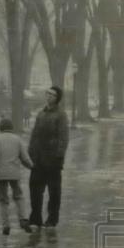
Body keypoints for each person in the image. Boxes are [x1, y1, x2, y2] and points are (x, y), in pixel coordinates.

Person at [0, 118, 34, 235]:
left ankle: (6, 224)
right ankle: (23, 219)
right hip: (14, 173)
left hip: (1, 174)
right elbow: (24, 157)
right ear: (11, 128)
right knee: (18, 196)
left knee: (3, 200)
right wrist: (32, 167)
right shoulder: (18, 139)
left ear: (1, 128)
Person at [27, 85, 70, 228]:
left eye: (52, 95)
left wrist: (59, 156)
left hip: (53, 160)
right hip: (38, 159)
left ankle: (52, 219)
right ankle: (35, 217)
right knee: (34, 188)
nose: (49, 96)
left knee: (54, 192)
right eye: (48, 93)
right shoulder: (41, 113)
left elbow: (64, 137)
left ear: (57, 98)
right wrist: (30, 152)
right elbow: (35, 134)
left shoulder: (61, 115)